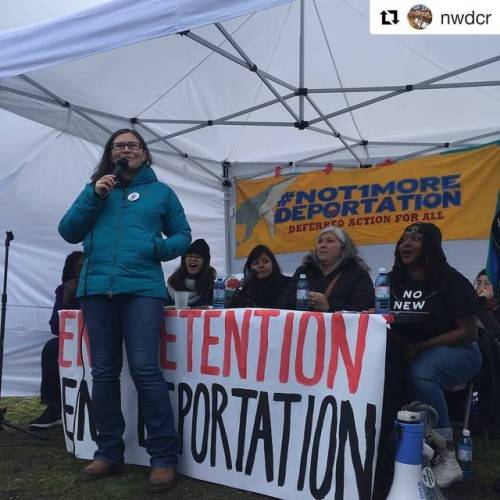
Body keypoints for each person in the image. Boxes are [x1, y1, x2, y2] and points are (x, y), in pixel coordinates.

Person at [58, 128, 191, 493]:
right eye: (119, 146)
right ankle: (109, 452)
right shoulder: (96, 190)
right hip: (97, 291)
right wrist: (93, 195)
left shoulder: (161, 192)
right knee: (103, 373)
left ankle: (163, 458)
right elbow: (68, 231)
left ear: (145, 154)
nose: (126, 150)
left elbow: (183, 236)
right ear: (110, 154)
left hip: (142, 292)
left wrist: (155, 247)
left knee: (146, 370)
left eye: (133, 145)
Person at [388, 222, 481, 489]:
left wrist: (421, 348)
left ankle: (447, 456)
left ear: (430, 246)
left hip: (460, 351)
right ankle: (387, 447)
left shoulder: (450, 281)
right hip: (413, 349)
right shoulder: (393, 280)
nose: (406, 243)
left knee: (421, 372)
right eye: (404, 238)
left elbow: (468, 332)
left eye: (415, 239)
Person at [29, 251, 83, 429]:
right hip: (76, 339)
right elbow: (55, 327)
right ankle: (54, 408)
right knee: (52, 348)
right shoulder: (64, 289)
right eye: (77, 269)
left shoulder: (100, 287)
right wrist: (67, 298)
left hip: (100, 337)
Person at [277, 226, 374, 312]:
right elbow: (282, 304)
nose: (322, 245)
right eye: (320, 241)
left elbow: (365, 310)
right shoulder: (304, 271)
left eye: (330, 241)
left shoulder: (358, 274)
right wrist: (302, 299)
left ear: (343, 248)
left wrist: (329, 306)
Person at [167, 238, 216, 307]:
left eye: (198, 257)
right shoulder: (173, 284)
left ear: (205, 262)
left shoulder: (212, 289)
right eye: (189, 256)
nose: (193, 259)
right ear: (184, 260)